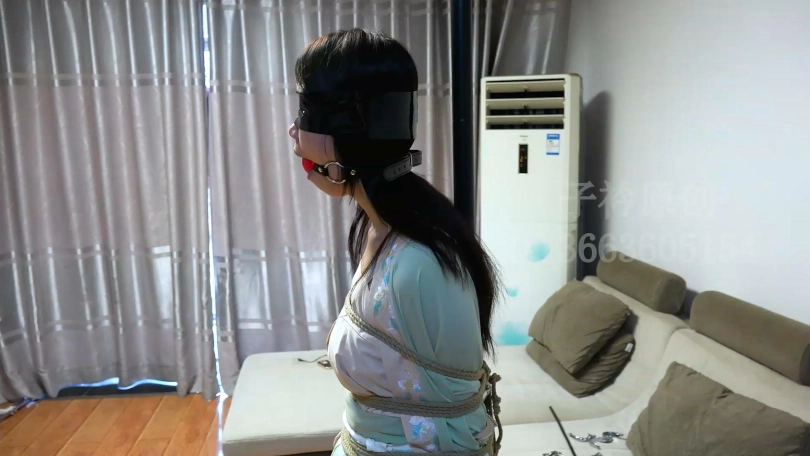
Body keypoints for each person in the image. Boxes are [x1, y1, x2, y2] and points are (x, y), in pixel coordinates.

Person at [288, 28, 503, 456]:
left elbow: (453, 416)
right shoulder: (380, 229)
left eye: (305, 110)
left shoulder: (420, 264)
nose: (293, 130)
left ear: (346, 129)